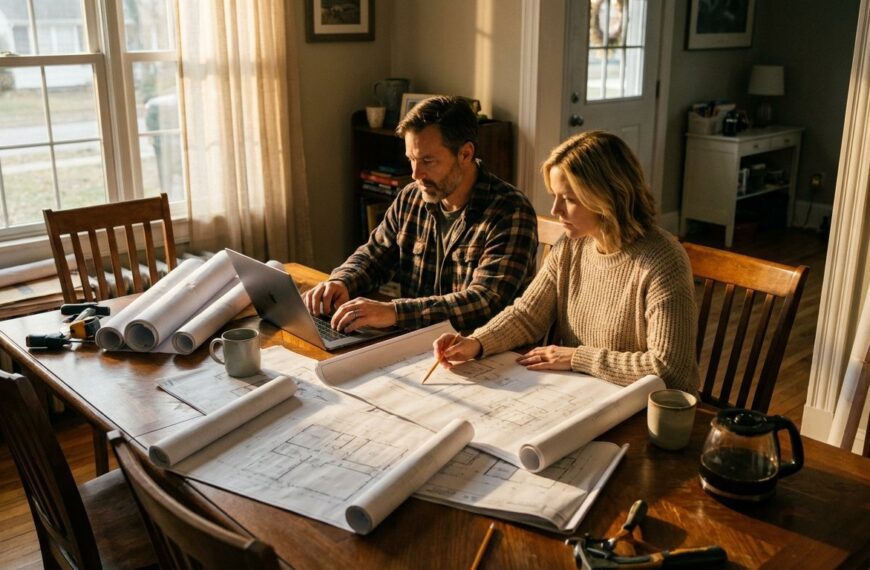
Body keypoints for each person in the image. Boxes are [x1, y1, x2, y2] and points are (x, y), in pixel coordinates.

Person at [433, 131, 699, 392]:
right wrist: (476, 342)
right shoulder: (572, 245)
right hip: (586, 392)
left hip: (649, 410)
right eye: (555, 196)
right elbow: (527, 315)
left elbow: (669, 369)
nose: (555, 210)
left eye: (569, 199)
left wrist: (576, 358)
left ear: (608, 197)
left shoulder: (663, 260)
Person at [302, 96, 538, 334]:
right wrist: (341, 281)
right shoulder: (412, 197)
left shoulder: (510, 211)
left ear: (465, 154)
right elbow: (374, 256)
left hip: (480, 352)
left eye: (427, 160)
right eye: (411, 159)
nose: (415, 174)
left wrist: (393, 312)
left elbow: (484, 302)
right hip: (416, 344)